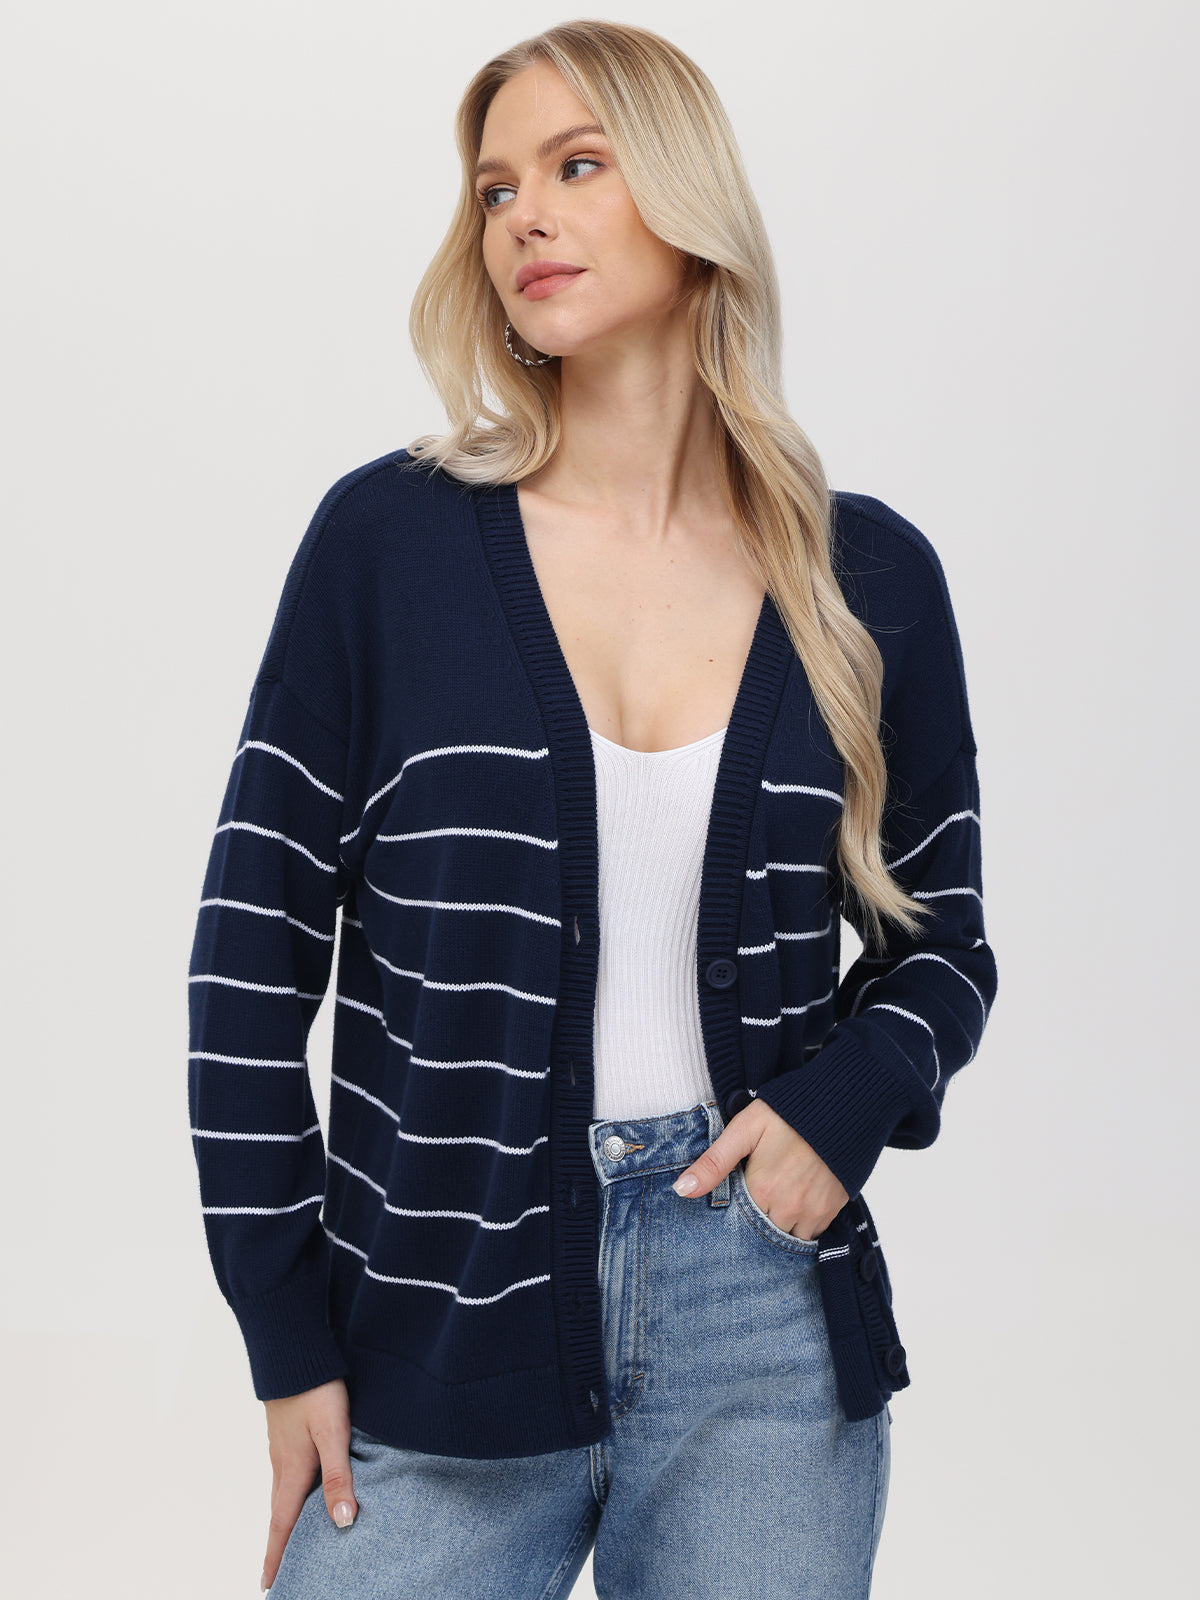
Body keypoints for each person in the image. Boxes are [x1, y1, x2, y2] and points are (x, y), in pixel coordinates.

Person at [187, 19, 998, 1598]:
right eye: (496, 190)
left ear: (688, 201)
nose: (524, 220)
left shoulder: (869, 580)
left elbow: (943, 941)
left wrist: (839, 1109)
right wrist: (286, 1339)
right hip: (436, 1311)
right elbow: (245, 969)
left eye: (577, 167)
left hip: (763, 1323)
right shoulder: (388, 549)